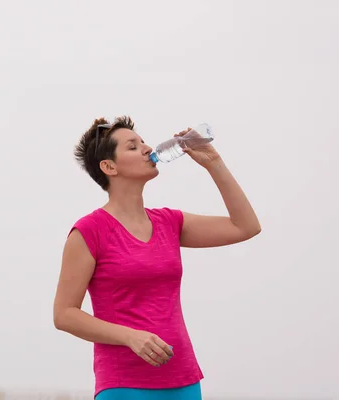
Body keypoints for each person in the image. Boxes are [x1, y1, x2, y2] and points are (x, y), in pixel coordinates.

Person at [53, 116, 261, 400]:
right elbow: (64, 314)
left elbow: (246, 226)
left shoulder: (169, 223)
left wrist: (214, 163)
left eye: (142, 142)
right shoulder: (89, 231)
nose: (146, 147)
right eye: (132, 146)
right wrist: (130, 336)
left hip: (183, 380)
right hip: (124, 385)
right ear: (109, 166)